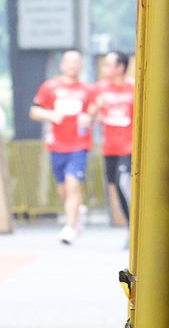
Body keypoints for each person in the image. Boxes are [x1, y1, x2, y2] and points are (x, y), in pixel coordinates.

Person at [30, 48, 96, 244]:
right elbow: (34, 110)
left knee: (73, 183)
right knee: (63, 190)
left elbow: (96, 110)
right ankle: (76, 213)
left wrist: (89, 117)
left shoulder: (88, 89)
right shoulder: (50, 86)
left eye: (76, 61)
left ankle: (69, 228)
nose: (72, 65)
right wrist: (50, 114)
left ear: (81, 66)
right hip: (56, 145)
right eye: (68, 61)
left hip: (79, 144)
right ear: (62, 65)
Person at [89, 50, 134, 228]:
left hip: (129, 148)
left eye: (108, 64)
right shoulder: (99, 88)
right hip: (110, 148)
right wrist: (95, 109)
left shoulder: (134, 87)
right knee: (116, 186)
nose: (104, 68)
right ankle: (130, 227)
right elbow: (90, 117)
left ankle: (135, 226)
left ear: (120, 67)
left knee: (124, 183)